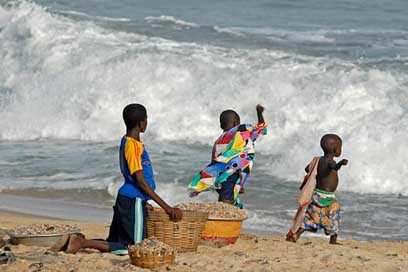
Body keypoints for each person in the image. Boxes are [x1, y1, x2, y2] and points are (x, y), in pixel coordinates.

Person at [59, 104, 183, 254]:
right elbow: (140, 182)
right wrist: (167, 208)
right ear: (141, 123)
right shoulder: (133, 146)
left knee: (115, 242)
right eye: (146, 119)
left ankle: (76, 241)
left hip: (129, 199)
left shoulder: (128, 141)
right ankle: (82, 242)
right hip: (132, 200)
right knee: (132, 248)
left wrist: (144, 202)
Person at [188, 105, 267, 208]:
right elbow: (261, 128)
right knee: (226, 202)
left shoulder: (218, 141)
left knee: (228, 197)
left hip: (219, 175)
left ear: (221, 125)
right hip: (230, 173)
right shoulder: (240, 130)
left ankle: (226, 216)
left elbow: (216, 160)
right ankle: (223, 218)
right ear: (236, 123)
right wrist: (259, 113)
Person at [287, 134, 348, 244]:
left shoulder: (318, 160)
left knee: (311, 216)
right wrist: (341, 164)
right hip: (327, 196)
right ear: (335, 149)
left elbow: (307, 169)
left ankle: (297, 234)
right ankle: (333, 240)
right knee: (334, 214)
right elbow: (334, 167)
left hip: (317, 194)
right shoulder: (331, 162)